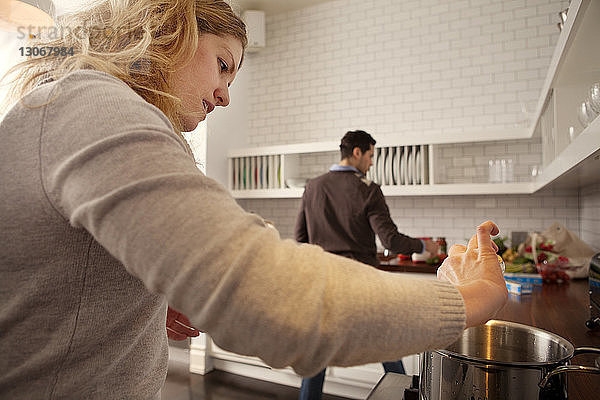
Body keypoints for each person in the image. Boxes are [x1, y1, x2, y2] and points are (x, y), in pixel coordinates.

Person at [0, 1, 508, 399]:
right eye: (222, 66)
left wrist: (146, 290)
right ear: (168, 27)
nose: (224, 96)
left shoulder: (69, 105)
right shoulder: (93, 104)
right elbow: (269, 298)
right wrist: (469, 299)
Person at [295, 130, 437, 400]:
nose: (372, 163)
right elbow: (391, 240)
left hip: (324, 284)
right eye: (371, 156)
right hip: (361, 285)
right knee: (387, 347)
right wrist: (424, 246)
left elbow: (301, 240)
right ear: (357, 153)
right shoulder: (368, 189)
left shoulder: (312, 186)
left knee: (316, 357)